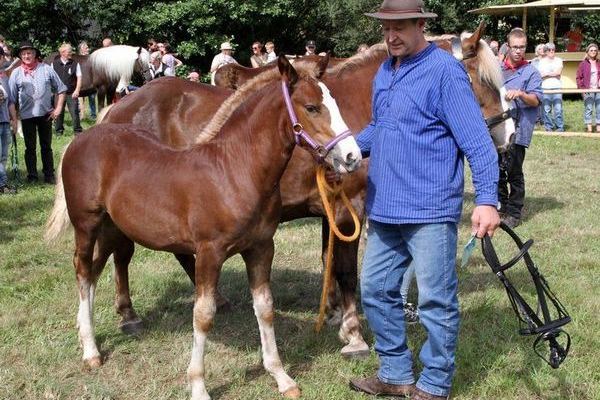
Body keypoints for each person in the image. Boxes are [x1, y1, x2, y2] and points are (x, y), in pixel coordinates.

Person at [347, 1, 500, 399]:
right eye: (385, 28)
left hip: (430, 209)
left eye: (399, 27)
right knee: (376, 291)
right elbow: (380, 127)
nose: (391, 36)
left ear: (420, 25)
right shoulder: (386, 71)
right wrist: (343, 151)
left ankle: (434, 384)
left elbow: (478, 143)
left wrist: (486, 200)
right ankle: (396, 373)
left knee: (435, 301)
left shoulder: (445, 72)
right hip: (384, 208)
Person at [499, 28, 542, 228]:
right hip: (497, 128)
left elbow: (535, 100)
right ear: (508, 46)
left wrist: (520, 94)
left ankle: (514, 213)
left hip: (519, 126)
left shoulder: (531, 72)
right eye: (515, 47)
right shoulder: (496, 69)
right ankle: (501, 207)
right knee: (496, 170)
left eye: (522, 47)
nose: (518, 51)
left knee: (514, 170)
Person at [7, 41, 66, 184]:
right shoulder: (16, 73)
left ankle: (49, 175)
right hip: (27, 117)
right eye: (24, 53)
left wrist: (57, 109)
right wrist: (14, 120)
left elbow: (61, 89)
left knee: (46, 147)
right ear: (20, 56)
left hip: (46, 115)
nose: (27, 56)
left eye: (29, 53)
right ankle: (32, 176)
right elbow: (11, 100)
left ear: (35, 54)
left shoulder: (46, 69)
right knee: (30, 148)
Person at [52, 43, 82, 136]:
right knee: (58, 113)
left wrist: (77, 90)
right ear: (62, 53)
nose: (71, 53)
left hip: (71, 93)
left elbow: (79, 77)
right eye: (69, 52)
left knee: (75, 113)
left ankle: (77, 132)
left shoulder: (75, 64)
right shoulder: (54, 64)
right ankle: (58, 132)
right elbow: (50, 78)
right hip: (59, 93)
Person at [538, 43, 564, 132]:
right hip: (545, 88)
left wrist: (547, 74)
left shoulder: (559, 60)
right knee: (546, 109)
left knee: (558, 109)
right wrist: (552, 74)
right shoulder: (541, 61)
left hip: (557, 88)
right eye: (549, 50)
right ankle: (548, 127)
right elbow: (540, 75)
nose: (551, 51)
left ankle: (560, 127)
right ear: (546, 51)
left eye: (553, 49)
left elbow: (558, 73)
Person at [576, 43, 600, 133]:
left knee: (599, 108)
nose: (593, 52)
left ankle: (598, 127)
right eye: (591, 50)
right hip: (588, 90)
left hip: (598, 89)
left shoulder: (599, 63)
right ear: (587, 52)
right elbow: (578, 77)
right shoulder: (583, 64)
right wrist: (582, 89)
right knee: (589, 108)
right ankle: (589, 127)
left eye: (595, 50)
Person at [0, 62, 14, 194]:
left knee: (4, 156)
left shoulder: (4, 78)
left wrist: (14, 119)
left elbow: (10, 102)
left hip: (4, 121)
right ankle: (3, 185)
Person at [78, 41, 96, 120]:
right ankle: (81, 115)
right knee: (80, 100)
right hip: (80, 82)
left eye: (88, 47)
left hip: (91, 83)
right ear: (81, 50)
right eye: (86, 48)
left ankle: (93, 115)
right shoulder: (77, 59)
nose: (88, 49)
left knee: (92, 99)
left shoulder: (91, 58)